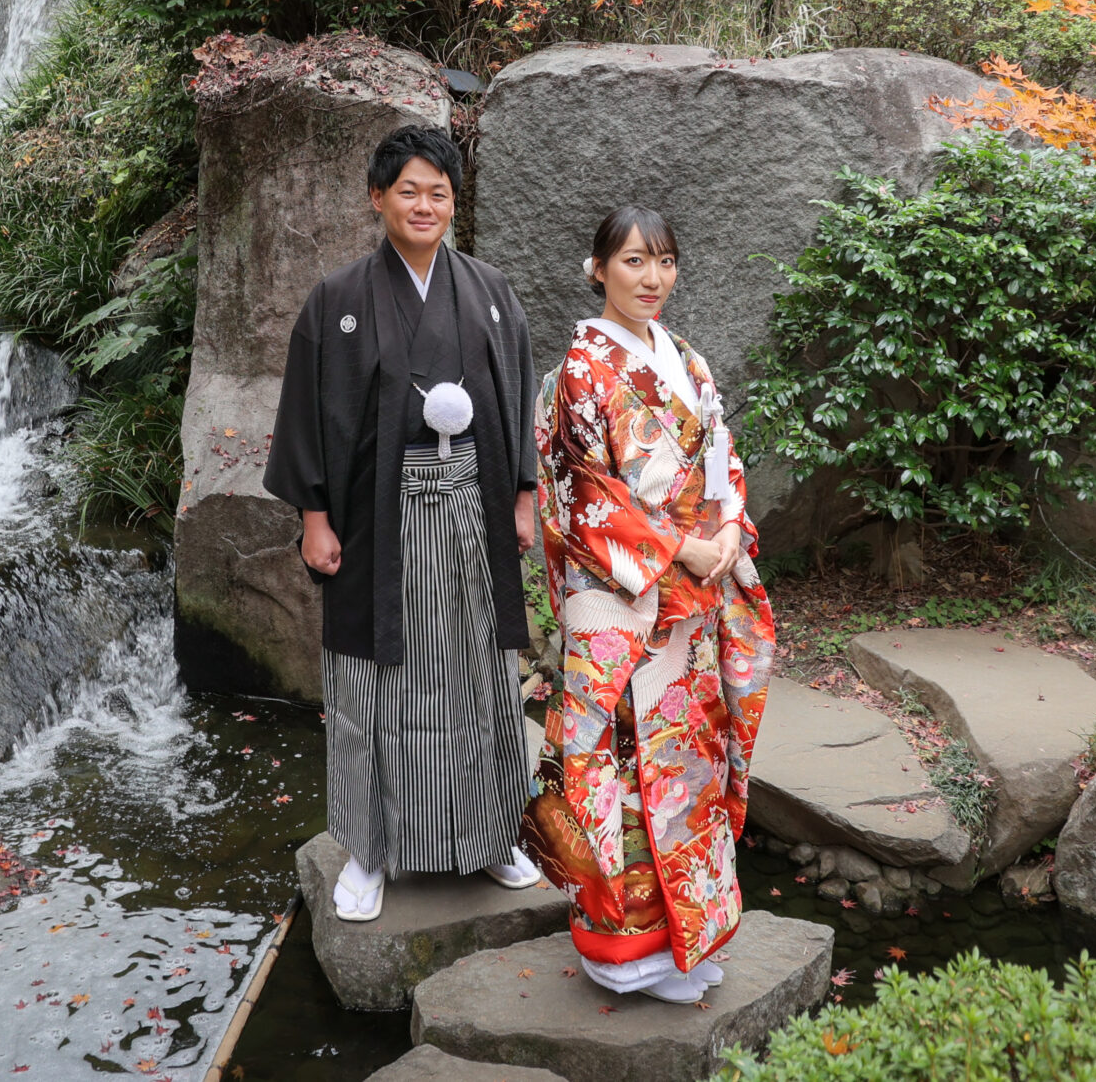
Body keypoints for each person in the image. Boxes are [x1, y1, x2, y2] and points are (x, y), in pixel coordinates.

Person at [262, 123, 545, 923]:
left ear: (455, 202)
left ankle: (492, 833)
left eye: (439, 192)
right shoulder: (338, 301)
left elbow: (518, 399)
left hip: (473, 510)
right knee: (373, 683)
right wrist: (314, 518)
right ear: (377, 198)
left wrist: (523, 499)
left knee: (481, 672)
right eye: (409, 190)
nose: (425, 205)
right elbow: (307, 414)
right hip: (375, 523)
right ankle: (368, 848)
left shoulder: (490, 292)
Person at [525, 205, 776, 1002]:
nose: (653, 277)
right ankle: (625, 955)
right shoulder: (581, 371)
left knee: (691, 765)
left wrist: (727, 527)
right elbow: (584, 496)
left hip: (693, 602)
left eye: (664, 260)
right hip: (626, 606)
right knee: (628, 772)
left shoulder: (687, 358)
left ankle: (685, 941)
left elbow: (722, 456)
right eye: (634, 260)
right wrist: (677, 549)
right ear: (598, 268)